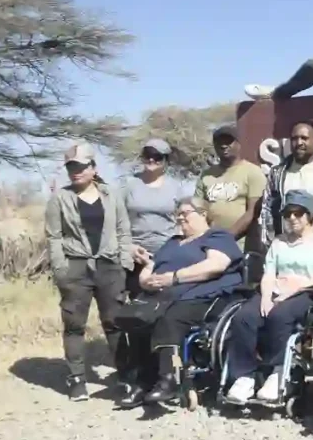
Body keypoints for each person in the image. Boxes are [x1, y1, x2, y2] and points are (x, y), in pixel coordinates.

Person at [118, 197, 245, 407]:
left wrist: (174, 277)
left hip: (204, 294)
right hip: (163, 295)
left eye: (185, 212)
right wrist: (146, 280)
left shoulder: (217, 236)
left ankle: (169, 378)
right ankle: (142, 381)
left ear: (203, 214)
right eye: (177, 214)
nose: (180, 217)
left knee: (170, 316)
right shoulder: (172, 242)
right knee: (138, 319)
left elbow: (216, 265)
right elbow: (152, 266)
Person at [225, 190, 313, 405]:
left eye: (298, 213)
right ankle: (245, 376)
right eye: (288, 214)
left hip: (307, 290)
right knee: (244, 317)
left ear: (310, 215)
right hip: (275, 289)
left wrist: (293, 288)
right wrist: (266, 296)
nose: (292, 218)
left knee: (280, 316)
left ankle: (276, 372)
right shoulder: (278, 241)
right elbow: (268, 273)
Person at [44, 142, 132, 402]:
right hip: (76, 267)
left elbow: (123, 230)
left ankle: (126, 377)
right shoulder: (60, 198)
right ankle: (77, 380)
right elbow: (54, 237)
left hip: (109, 266)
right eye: (71, 167)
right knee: (74, 325)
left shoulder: (111, 194)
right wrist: (61, 270)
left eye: (81, 166)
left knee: (115, 323)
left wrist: (124, 263)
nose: (76, 172)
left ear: (93, 168)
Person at [259, 120, 313, 252]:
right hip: (285, 252)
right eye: (294, 138)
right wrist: (272, 249)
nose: (299, 142)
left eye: (304, 138)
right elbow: (267, 211)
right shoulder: (277, 173)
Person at [121, 138, 188, 298]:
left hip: (167, 253)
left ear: (166, 160)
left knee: (164, 300)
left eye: (157, 156)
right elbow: (117, 218)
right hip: (135, 254)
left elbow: (185, 219)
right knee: (136, 302)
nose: (151, 159)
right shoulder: (129, 184)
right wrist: (127, 246)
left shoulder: (177, 187)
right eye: (148, 155)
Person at [195, 124, 267, 251]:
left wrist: (226, 238)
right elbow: (198, 208)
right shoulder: (206, 175)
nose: (223, 145)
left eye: (228, 142)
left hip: (241, 245)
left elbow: (253, 212)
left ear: (238, 144)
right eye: (219, 142)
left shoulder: (253, 172)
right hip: (209, 243)